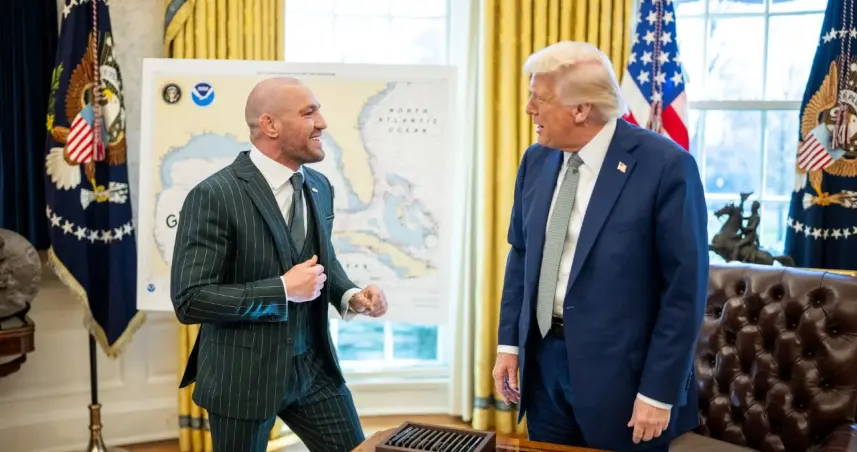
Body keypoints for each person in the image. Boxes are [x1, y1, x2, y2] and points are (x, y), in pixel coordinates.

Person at [492, 41, 708, 452]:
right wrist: (509, 346)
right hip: (544, 368)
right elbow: (520, 256)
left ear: (580, 109)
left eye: (539, 99)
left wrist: (658, 392)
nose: (529, 109)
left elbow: (684, 290)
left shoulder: (666, 166)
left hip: (624, 382)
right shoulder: (535, 160)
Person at [170, 77, 388, 452]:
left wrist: (349, 295)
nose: (322, 123)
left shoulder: (320, 186)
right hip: (242, 377)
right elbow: (191, 300)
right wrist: (283, 290)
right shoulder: (214, 195)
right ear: (270, 124)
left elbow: (321, 258)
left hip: (315, 370)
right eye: (309, 113)